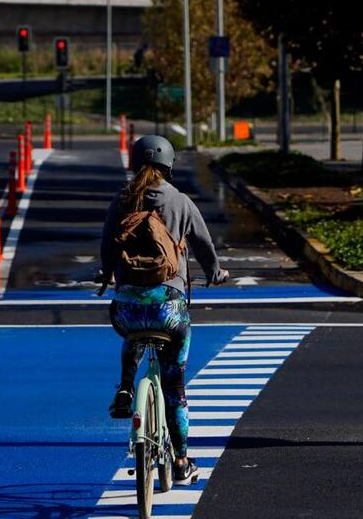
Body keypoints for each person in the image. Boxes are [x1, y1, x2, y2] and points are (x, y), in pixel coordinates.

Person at [99, 135, 229, 485]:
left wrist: (108, 273)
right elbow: (203, 245)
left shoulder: (121, 200)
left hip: (127, 310)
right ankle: (182, 461)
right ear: (169, 165)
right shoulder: (180, 201)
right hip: (170, 310)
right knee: (175, 387)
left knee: (134, 332)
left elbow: (106, 249)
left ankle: (127, 387)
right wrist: (215, 273)